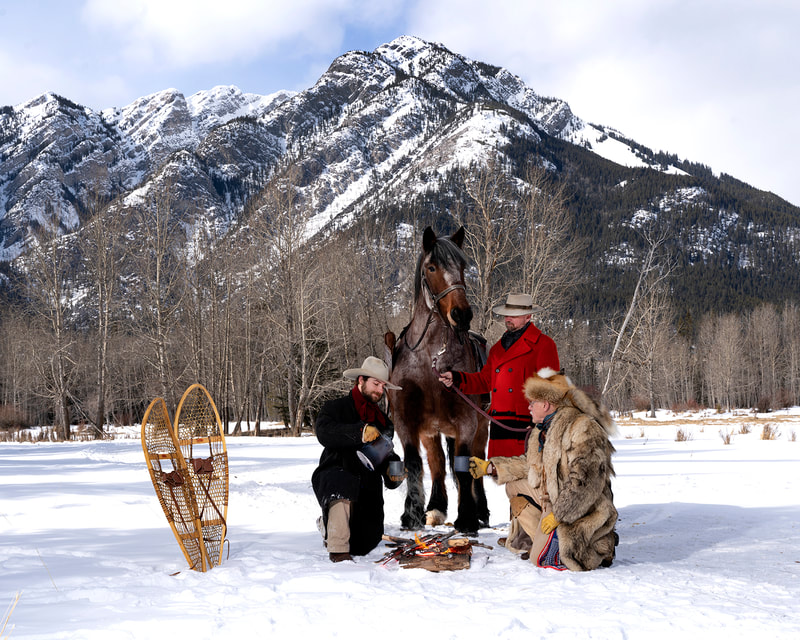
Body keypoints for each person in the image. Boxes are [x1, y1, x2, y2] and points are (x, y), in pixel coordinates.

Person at [468, 368, 618, 570]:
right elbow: (530, 465)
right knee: (513, 486)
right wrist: (492, 468)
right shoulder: (541, 431)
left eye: (532, 403)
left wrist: (559, 515)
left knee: (539, 559)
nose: (528, 407)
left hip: (582, 509)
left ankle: (595, 545)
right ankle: (541, 538)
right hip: (554, 499)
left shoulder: (582, 428)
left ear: (546, 404)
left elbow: (585, 482)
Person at [438, 293, 560, 458]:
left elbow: (550, 391)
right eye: (506, 314)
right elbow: (485, 381)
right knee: (507, 479)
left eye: (514, 315)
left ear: (528, 317)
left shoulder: (544, 345)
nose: (508, 318)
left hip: (526, 430)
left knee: (527, 480)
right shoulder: (497, 349)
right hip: (499, 428)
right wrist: (457, 379)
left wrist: (540, 424)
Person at [311, 356, 405, 563]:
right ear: (360, 380)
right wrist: (359, 432)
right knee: (341, 486)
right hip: (336, 471)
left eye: (382, 386)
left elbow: (385, 454)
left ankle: (328, 525)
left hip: (367, 484)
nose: (379, 391)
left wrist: (394, 471)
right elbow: (324, 432)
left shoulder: (384, 422)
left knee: (364, 544)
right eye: (375, 384)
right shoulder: (335, 408)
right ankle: (337, 550)